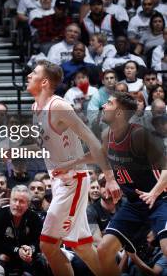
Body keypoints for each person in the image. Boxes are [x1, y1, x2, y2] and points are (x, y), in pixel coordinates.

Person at [26, 60, 121, 276]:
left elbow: (93, 141)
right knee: (82, 246)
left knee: (48, 246)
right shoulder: (35, 107)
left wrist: (110, 178)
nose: (29, 75)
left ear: (44, 82)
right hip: (60, 181)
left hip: (73, 181)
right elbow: (43, 142)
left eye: (34, 73)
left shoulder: (59, 106)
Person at [60, 92, 167, 275]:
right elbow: (98, 155)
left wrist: (154, 193)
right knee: (104, 251)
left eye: (108, 103)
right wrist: (70, 164)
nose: (103, 106)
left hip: (160, 199)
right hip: (134, 203)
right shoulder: (106, 134)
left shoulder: (140, 135)